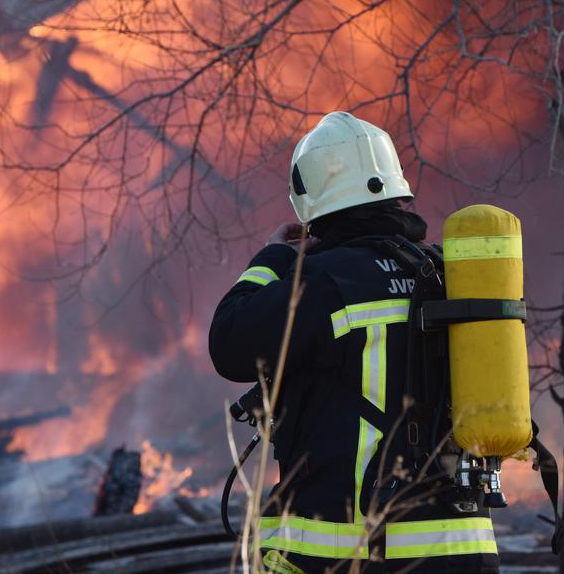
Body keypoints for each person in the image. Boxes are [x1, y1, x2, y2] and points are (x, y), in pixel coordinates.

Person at [209, 112, 500, 573]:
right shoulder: (446, 274)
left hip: (349, 553)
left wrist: (273, 258)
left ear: (311, 202)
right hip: (461, 550)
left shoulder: (325, 282)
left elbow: (230, 343)